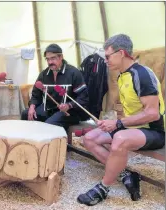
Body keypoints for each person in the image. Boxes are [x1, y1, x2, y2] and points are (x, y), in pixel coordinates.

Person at [77, 34, 165, 206]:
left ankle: (103, 187)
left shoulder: (142, 74)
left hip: (153, 131)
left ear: (122, 53)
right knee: (89, 139)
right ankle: (126, 175)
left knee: (119, 139)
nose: (105, 60)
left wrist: (117, 124)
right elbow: (131, 113)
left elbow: (153, 114)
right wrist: (110, 123)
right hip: (132, 129)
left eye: (108, 56)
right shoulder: (122, 76)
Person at [21, 44, 89, 131]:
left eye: (53, 58)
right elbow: (36, 95)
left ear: (61, 57)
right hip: (49, 109)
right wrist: (32, 106)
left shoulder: (73, 73)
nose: (50, 62)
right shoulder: (44, 74)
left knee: (50, 125)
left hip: (69, 112)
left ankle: (51, 143)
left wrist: (69, 105)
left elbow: (83, 97)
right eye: (47, 59)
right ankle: (31, 142)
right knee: (25, 114)